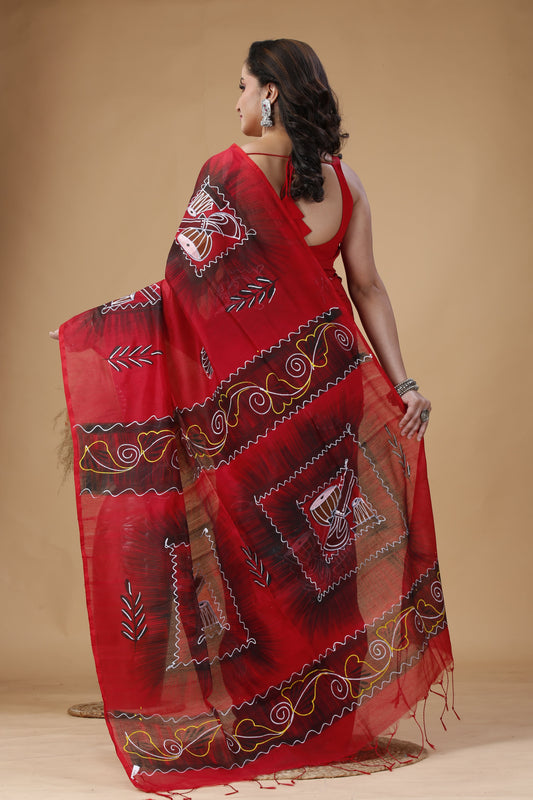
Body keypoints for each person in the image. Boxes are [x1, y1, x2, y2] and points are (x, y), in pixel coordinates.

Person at [53, 39, 453, 793]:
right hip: (331, 390)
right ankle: (331, 720)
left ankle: (260, 715)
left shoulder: (226, 172)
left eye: (241, 86)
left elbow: (181, 295)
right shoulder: (346, 182)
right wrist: (403, 382)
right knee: (324, 560)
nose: (234, 100)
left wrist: (98, 329)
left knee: (256, 558)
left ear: (270, 93)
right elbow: (367, 288)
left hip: (252, 410)